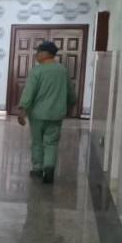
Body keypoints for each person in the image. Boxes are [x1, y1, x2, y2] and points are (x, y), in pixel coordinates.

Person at [17, 41, 77, 184]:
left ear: (46, 53)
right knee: (51, 142)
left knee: (37, 142)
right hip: (56, 114)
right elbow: (70, 92)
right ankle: (49, 167)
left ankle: (37, 169)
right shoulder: (62, 71)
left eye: (38, 52)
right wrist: (71, 105)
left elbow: (29, 92)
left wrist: (23, 110)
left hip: (37, 115)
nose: (36, 55)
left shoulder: (37, 71)